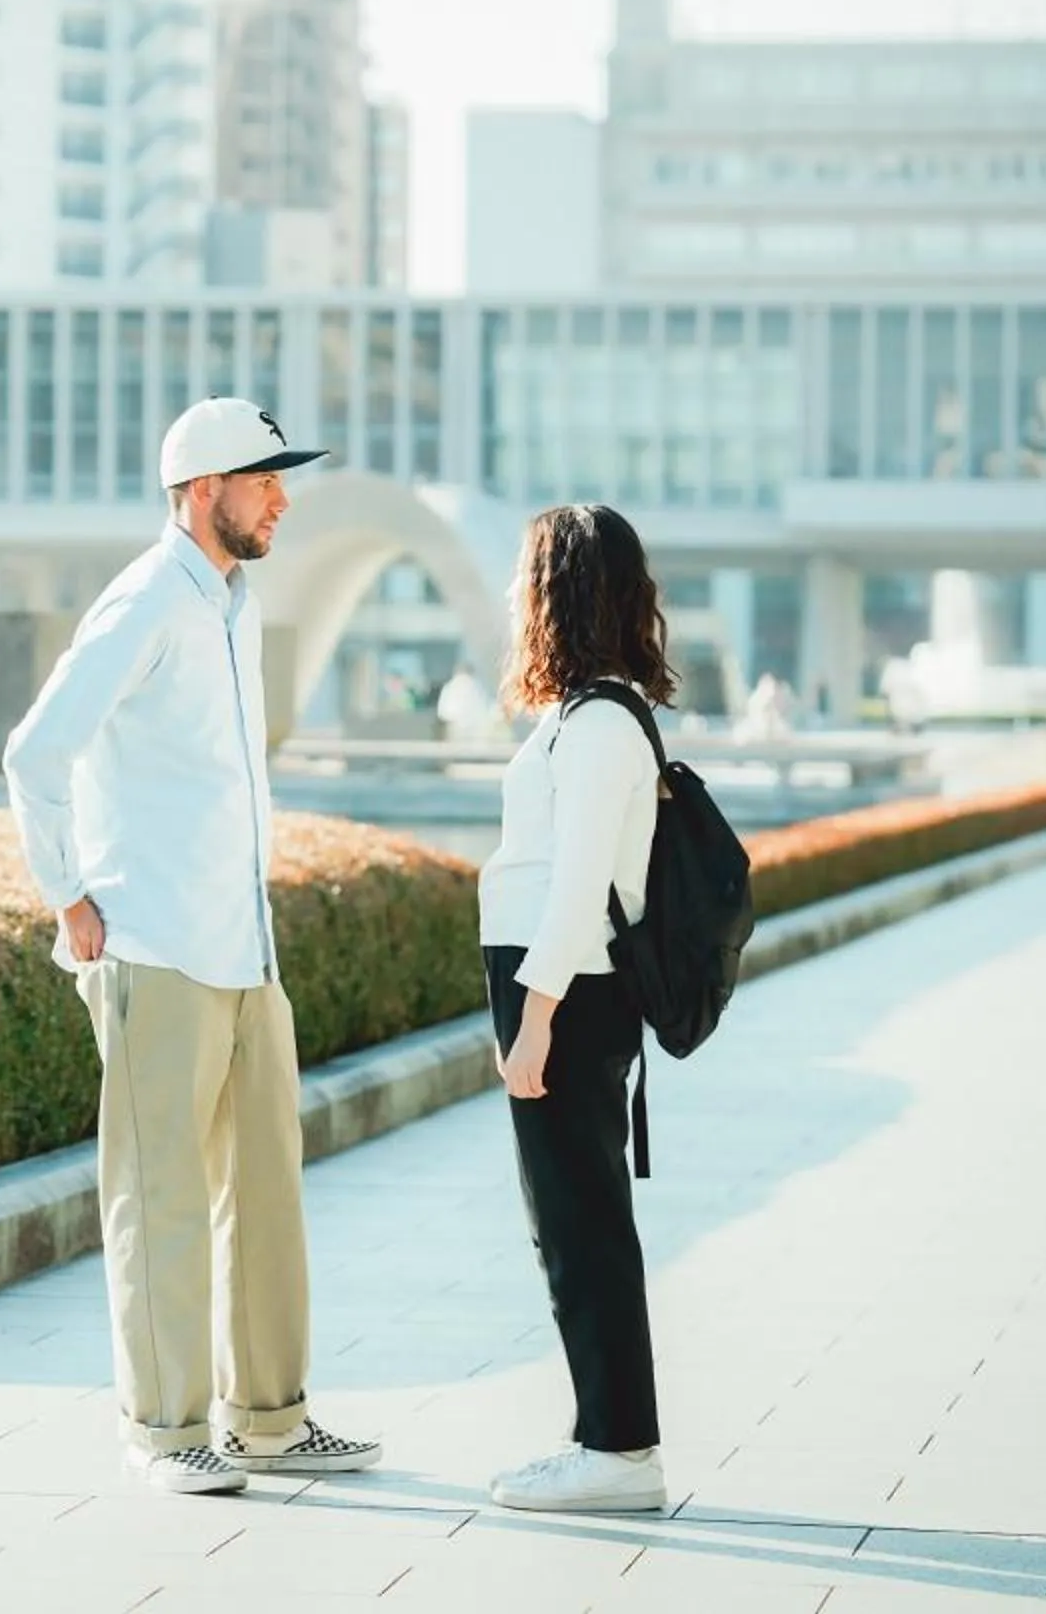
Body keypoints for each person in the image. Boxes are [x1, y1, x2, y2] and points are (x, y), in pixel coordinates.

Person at [2, 396, 382, 1498]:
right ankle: (165, 1433)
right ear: (203, 488)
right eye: (265, 479)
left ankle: (268, 1420)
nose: (283, 498)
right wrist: (69, 897)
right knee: (157, 1196)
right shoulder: (145, 601)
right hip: (158, 946)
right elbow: (35, 752)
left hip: (245, 952)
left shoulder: (232, 603)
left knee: (265, 1195)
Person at [477, 501, 674, 1513]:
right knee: (569, 1221)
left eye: (529, 576)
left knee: (581, 1226)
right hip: (560, 988)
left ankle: (621, 1451)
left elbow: (577, 886)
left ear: (561, 592)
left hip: (570, 993)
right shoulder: (580, 717)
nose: (517, 593)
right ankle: (604, 1433)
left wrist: (536, 1017)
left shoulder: (599, 726)